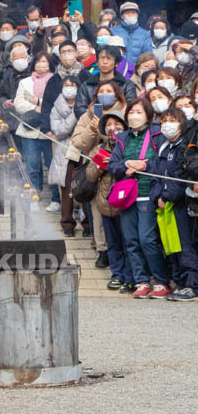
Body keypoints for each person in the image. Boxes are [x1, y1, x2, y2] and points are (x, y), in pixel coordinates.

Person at [108, 98, 172, 298]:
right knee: (131, 240)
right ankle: (141, 281)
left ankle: (161, 281)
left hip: (148, 195)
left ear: (148, 114)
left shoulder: (158, 134)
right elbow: (112, 166)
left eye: (139, 112)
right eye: (131, 112)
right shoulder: (123, 138)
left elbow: (163, 165)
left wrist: (145, 166)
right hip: (127, 197)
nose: (134, 116)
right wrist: (127, 164)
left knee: (147, 239)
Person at [148, 108, 198, 301]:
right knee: (171, 246)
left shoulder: (184, 146)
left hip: (179, 203)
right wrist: (157, 196)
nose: (168, 124)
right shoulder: (162, 147)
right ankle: (179, 281)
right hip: (164, 205)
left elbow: (180, 177)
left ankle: (191, 285)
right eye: (164, 120)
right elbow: (154, 175)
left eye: (173, 120)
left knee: (186, 245)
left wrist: (167, 196)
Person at [85, 111, 133, 289]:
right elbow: (90, 175)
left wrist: (116, 163)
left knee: (129, 242)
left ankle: (130, 277)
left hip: (126, 201)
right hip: (106, 203)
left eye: (117, 123)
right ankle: (117, 274)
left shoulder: (130, 145)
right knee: (112, 243)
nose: (113, 127)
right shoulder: (100, 148)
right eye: (108, 125)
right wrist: (100, 165)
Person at [14, 53, 62, 210]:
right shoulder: (25, 82)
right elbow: (19, 103)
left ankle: (56, 199)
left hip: (50, 130)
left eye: (45, 61)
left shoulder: (56, 81)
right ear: (33, 64)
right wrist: (36, 108)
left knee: (52, 165)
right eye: (39, 61)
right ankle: (34, 196)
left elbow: (57, 102)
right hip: (30, 130)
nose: (42, 64)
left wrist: (41, 102)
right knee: (32, 165)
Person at [49, 76, 84, 232]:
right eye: (67, 85)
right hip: (66, 150)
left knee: (86, 186)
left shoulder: (85, 105)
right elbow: (59, 131)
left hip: (84, 149)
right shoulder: (56, 107)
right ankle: (67, 223)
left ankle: (87, 223)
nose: (70, 88)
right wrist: (74, 114)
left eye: (73, 85)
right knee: (67, 188)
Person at [75, 46, 137, 118]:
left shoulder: (126, 85)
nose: (104, 62)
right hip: (91, 124)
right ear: (97, 61)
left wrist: (108, 120)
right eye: (101, 58)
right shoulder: (86, 85)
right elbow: (79, 109)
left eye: (109, 58)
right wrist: (96, 118)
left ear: (116, 63)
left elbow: (130, 107)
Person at [112, 1, 151, 66]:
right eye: (127, 13)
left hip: (136, 72)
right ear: (121, 16)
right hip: (116, 71)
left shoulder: (145, 34)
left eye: (133, 13)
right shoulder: (113, 31)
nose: (130, 15)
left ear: (137, 15)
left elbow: (148, 56)